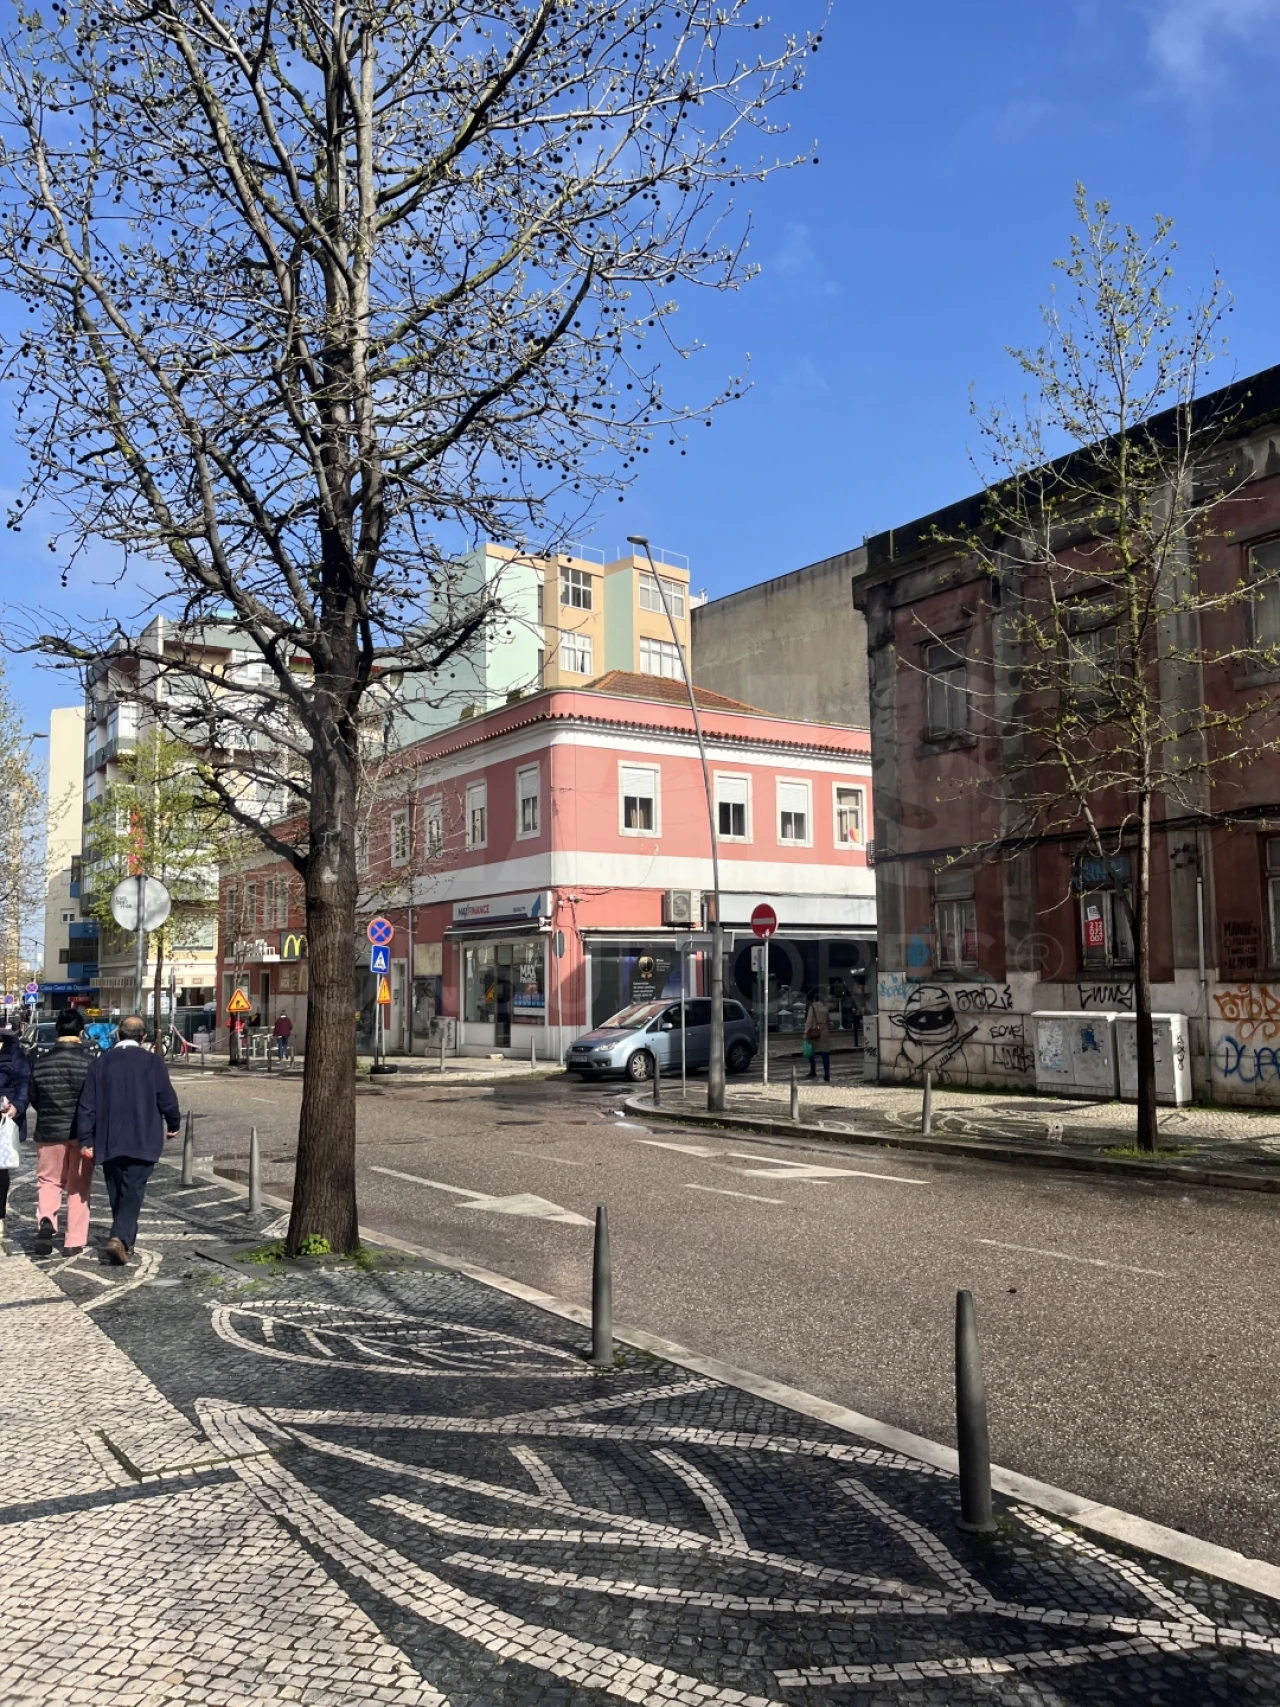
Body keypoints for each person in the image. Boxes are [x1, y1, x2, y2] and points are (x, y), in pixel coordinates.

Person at [78, 1013, 181, 1265]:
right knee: (133, 1190)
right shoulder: (153, 1063)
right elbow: (166, 1097)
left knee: (117, 1190)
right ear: (143, 1037)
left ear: (118, 1035)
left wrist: (85, 1139)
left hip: (109, 1138)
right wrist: (173, 1123)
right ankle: (119, 1238)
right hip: (142, 1136)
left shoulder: (100, 1063)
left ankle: (126, 1242)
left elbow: (87, 1105)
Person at [28, 1007, 94, 1256]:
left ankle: (46, 1219)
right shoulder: (90, 1063)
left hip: (49, 1131)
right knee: (79, 1186)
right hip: (81, 1134)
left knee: (48, 1180)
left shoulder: (41, 1062)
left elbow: (34, 1097)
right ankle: (74, 1240)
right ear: (81, 1032)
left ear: (57, 1031)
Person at [0, 1019, 32, 1247]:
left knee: (0, 1172)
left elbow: (24, 1084)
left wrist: (17, 1106)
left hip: (3, 1118)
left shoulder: (14, 1053)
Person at [804, 990, 832, 1084]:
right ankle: (827, 1073)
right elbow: (828, 1020)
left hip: (814, 1030)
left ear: (814, 999)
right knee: (825, 1053)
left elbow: (809, 1020)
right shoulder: (825, 1007)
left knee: (811, 1051)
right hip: (824, 1031)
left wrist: (806, 1031)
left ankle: (813, 1070)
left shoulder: (813, 1007)